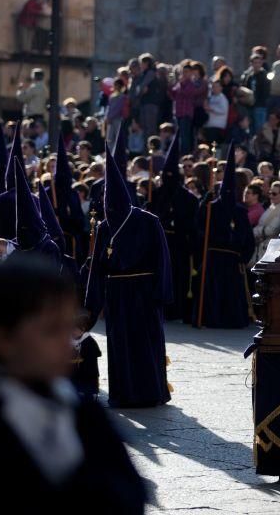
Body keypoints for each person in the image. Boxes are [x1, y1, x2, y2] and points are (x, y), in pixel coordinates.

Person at [0, 255, 147, 514]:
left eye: (67, 326)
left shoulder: (88, 417)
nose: (65, 341)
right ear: (3, 338)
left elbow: (130, 495)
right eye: (50, 330)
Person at [85, 149, 172, 408]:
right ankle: (123, 393)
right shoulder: (104, 226)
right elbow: (97, 267)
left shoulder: (148, 221)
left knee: (145, 343)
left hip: (144, 291)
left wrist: (161, 294)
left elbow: (162, 260)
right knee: (119, 345)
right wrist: (92, 303)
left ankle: (150, 392)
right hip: (117, 293)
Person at [192, 142, 254, 329]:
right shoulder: (210, 207)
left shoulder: (239, 211)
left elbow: (247, 238)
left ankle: (228, 319)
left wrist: (242, 256)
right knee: (213, 289)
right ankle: (211, 318)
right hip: (214, 256)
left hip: (231, 258)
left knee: (229, 291)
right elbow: (199, 227)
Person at [145, 130, 199, 323]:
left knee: (178, 276)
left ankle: (177, 310)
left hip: (178, 244)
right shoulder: (156, 194)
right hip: (159, 242)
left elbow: (192, 223)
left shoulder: (189, 199)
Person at [250, 180, 280, 266]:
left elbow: (271, 230)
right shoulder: (271, 207)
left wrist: (255, 231)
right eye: (270, 193)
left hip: (270, 249)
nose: (271, 196)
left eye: (274, 194)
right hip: (261, 246)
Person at [70, 313, 101, 402]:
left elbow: (91, 364)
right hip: (75, 376)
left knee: (87, 398)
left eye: (74, 330)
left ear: (82, 330)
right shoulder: (71, 341)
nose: (72, 332)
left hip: (88, 376)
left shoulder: (89, 342)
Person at [240, 50, 271, 132]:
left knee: (259, 128)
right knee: (250, 128)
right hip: (249, 106)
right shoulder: (248, 76)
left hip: (260, 106)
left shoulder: (264, 75)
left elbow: (266, 92)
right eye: (255, 62)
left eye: (259, 62)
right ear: (251, 64)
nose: (257, 65)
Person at [203, 80, 229, 147]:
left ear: (221, 88)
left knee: (214, 147)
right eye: (213, 87)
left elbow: (223, 110)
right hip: (209, 126)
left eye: (216, 86)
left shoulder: (222, 98)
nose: (214, 88)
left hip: (217, 128)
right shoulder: (211, 98)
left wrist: (211, 109)